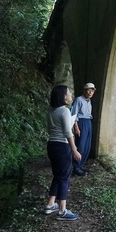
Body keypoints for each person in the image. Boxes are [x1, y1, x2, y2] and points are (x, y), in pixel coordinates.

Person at [44, 85, 81, 221]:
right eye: (68, 92)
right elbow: (67, 133)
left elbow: (50, 129)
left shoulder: (51, 111)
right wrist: (74, 149)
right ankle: (62, 210)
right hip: (62, 146)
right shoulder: (64, 111)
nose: (71, 94)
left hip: (51, 145)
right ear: (63, 97)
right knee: (64, 177)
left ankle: (50, 205)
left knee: (58, 175)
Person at [70, 82, 95, 176]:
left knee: (87, 146)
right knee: (81, 145)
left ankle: (80, 165)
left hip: (88, 121)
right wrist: (76, 127)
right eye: (88, 90)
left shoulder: (89, 101)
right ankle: (75, 167)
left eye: (92, 90)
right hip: (81, 122)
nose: (90, 92)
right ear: (84, 90)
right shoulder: (78, 100)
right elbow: (74, 114)